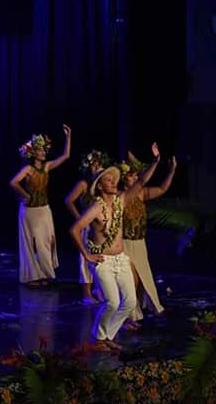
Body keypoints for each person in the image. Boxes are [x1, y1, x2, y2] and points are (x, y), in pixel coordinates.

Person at [69, 143, 159, 352]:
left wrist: (155, 161)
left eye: (114, 179)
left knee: (129, 302)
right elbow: (75, 229)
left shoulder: (121, 200)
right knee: (111, 302)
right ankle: (98, 337)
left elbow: (142, 181)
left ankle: (105, 336)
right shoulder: (96, 208)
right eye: (108, 180)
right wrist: (87, 255)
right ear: (100, 186)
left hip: (121, 258)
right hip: (103, 261)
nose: (113, 182)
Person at [9, 125, 71, 286]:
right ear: (33, 153)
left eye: (44, 150)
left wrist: (68, 136)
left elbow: (65, 156)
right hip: (30, 211)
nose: (43, 152)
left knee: (47, 241)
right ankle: (33, 276)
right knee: (33, 243)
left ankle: (44, 274)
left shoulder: (47, 167)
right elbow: (14, 182)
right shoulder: (28, 169)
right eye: (39, 150)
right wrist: (25, 195)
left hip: (44, 209)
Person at [120, 152, 176, 328]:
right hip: (125, 244)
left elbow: (162, 189)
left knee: (144, 278)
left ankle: (148, 307)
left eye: (136, 175)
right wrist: (155, 161)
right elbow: (143, 180)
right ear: (123, 178)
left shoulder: (141, 194)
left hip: (140, 243)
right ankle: (130, 315)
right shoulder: (121, 196)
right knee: (132, 279)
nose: (135, 178)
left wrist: (171, 171)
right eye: (132, 175)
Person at [64, 149, 113, 304]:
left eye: (99, 164)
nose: (96, 167)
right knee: (85, 260)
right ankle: (86, 294)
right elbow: (68, 200)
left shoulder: (102, 185)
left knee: (101, 257)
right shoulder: (84, 184)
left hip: (100, 227)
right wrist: (79, 218)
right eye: (93, 165)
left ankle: (99, 289)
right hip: (87, 227)